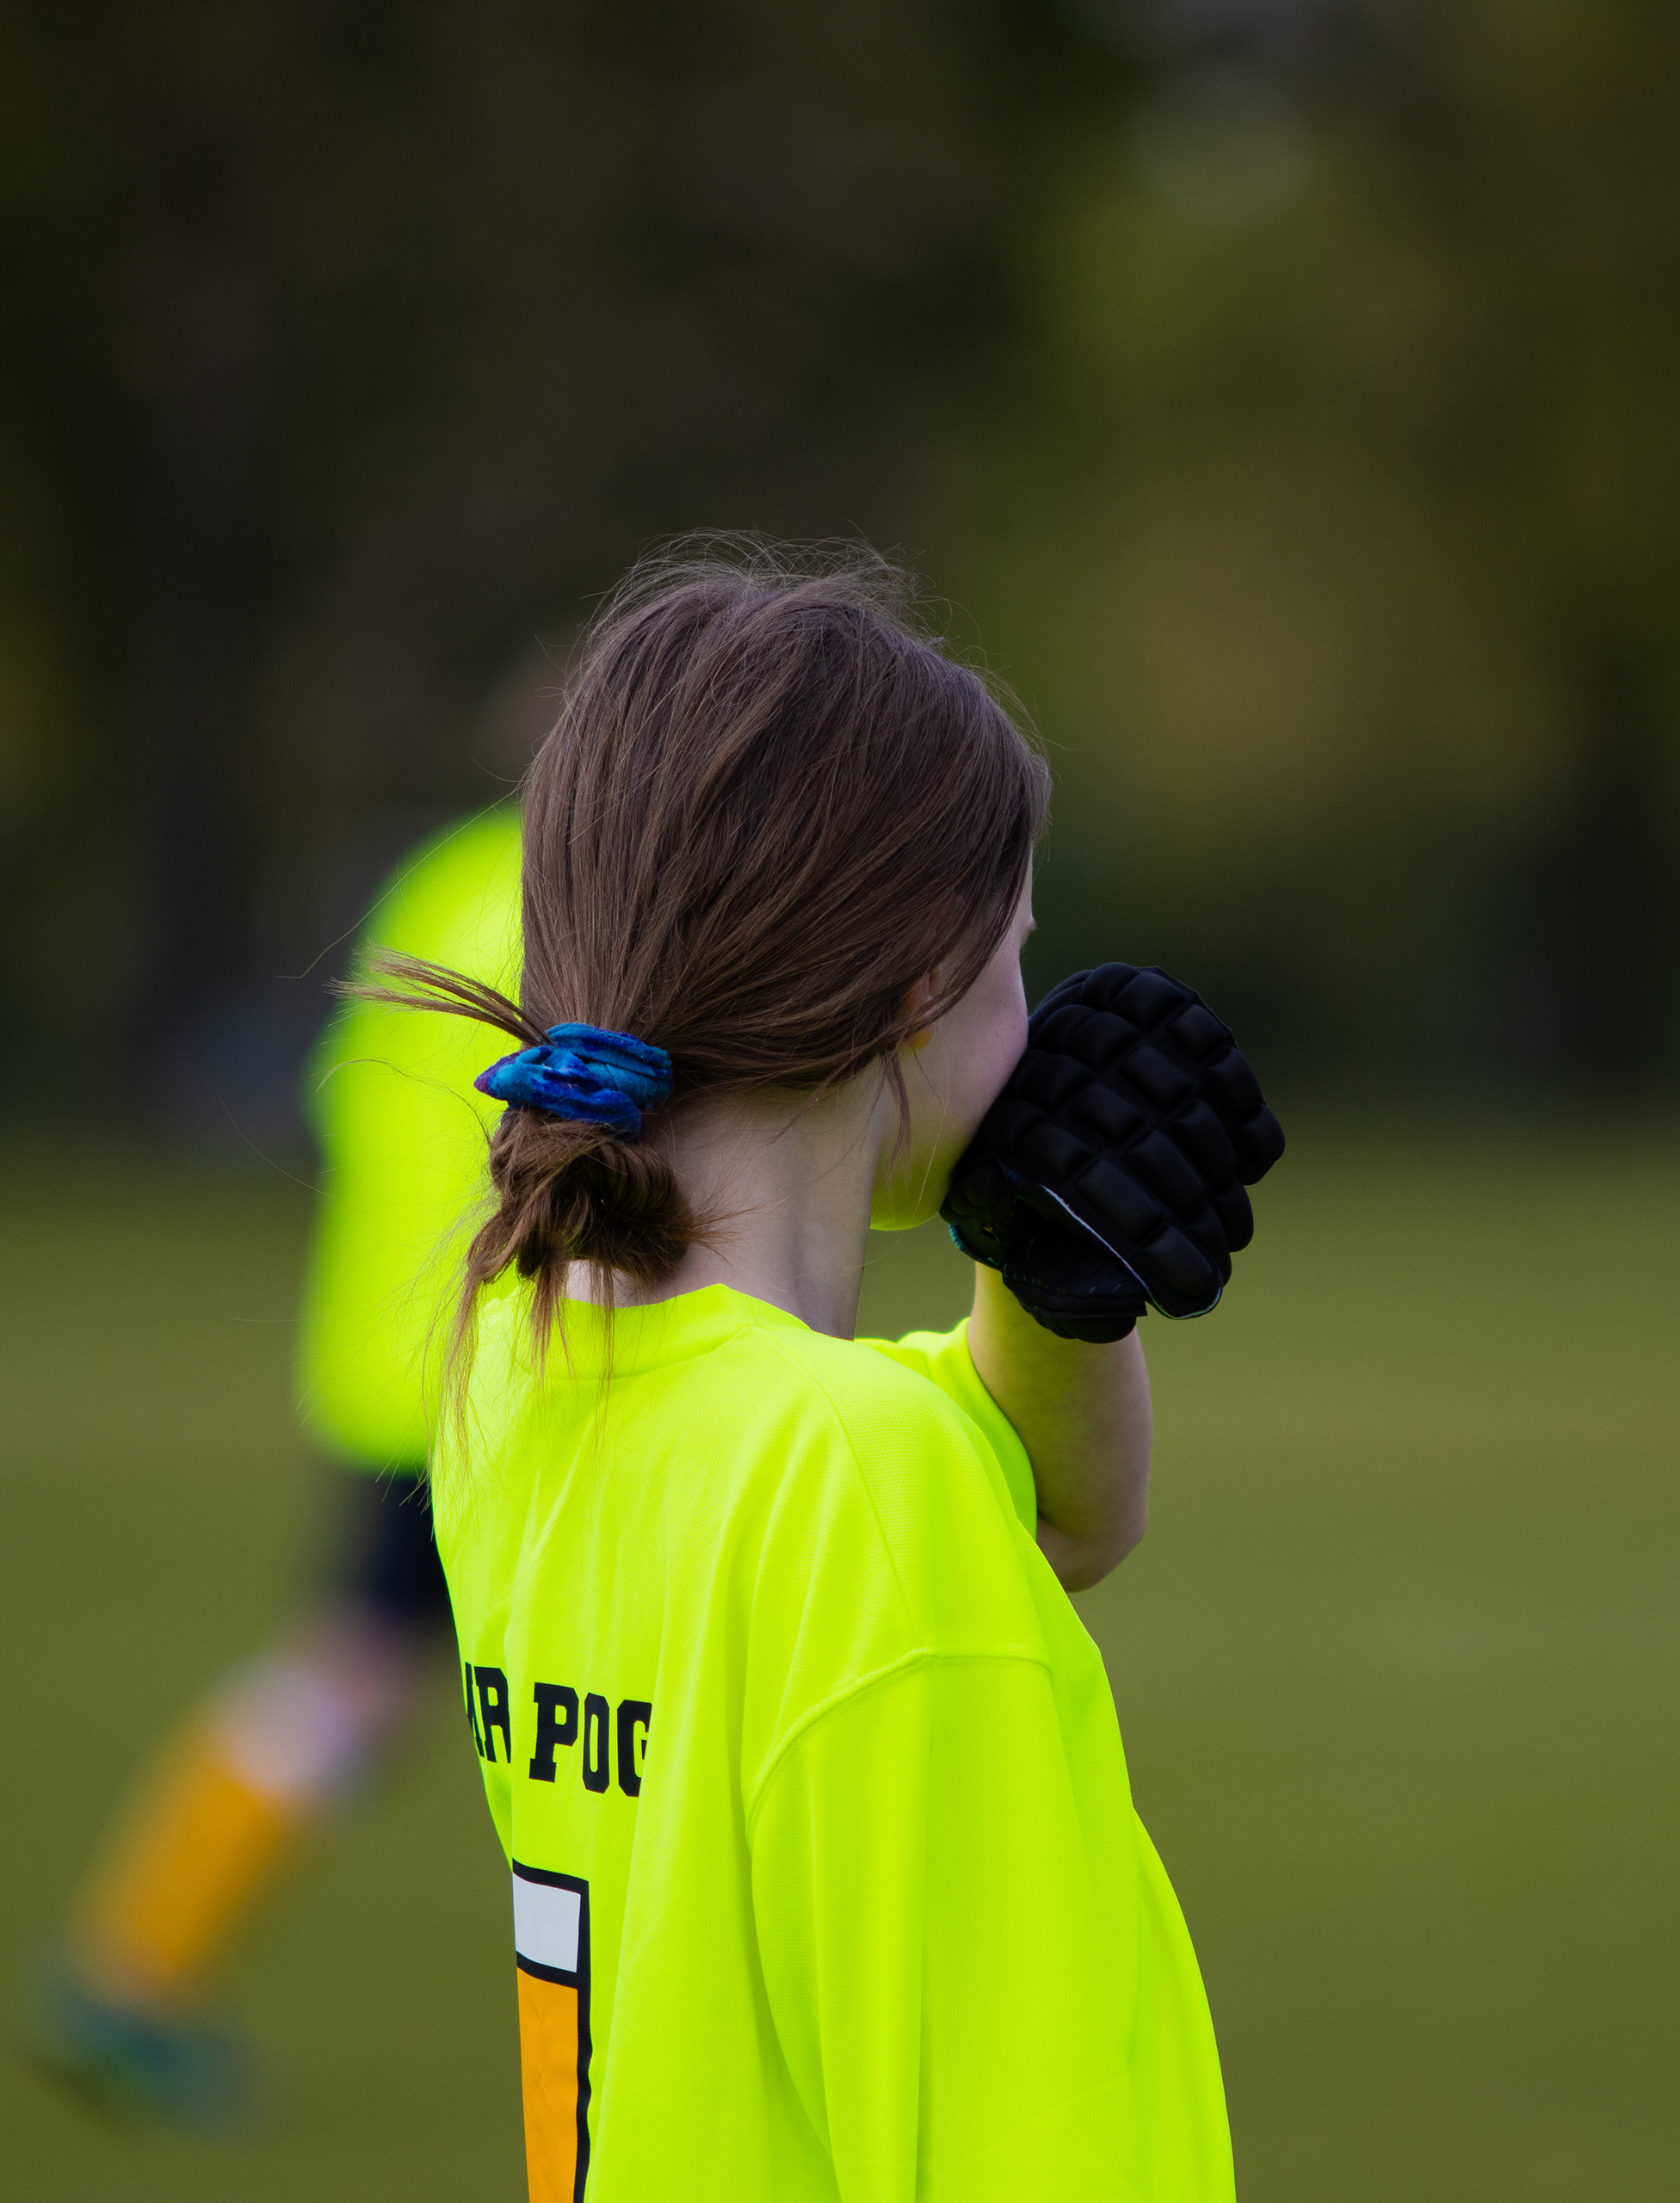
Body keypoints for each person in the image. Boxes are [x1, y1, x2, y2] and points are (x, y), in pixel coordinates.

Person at [383, 547, 1238, 2197]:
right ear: (919, 984)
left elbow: (1056, 1514)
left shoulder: (525, 1365)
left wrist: (1050, 1285)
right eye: (1015, 956)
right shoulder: (858, 1481)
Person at [32, 799, 526, 2127]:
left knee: (366, 1675)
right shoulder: (599, 892)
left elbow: (342, 1089)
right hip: (485, 1362)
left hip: (393, 1341)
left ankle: (134, 1968)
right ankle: (128, 1973)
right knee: (367, 1678)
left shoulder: (455, 873)